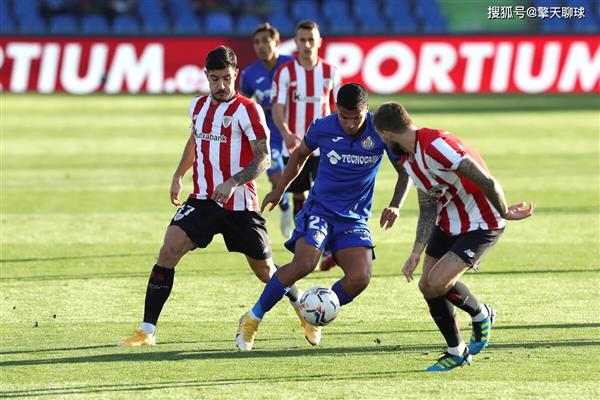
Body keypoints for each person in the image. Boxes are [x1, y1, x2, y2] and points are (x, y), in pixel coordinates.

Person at [118, 46, 307, 347]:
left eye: (227, 79)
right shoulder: (197, 106)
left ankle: (302, 306)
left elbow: (263, 159)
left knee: (265, 271)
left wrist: (233, 182)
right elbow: (195, 141)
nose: (221, 86)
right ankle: (146, 330)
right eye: (215, 79)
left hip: (240, 204)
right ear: (206, 76)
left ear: (235, 76)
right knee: (168, 251)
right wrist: (179, 175)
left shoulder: (248, 109)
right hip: (203, 199)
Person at [235, 83, 410, 351]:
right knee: (304, 263)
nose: (350, 124)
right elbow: (299, 155)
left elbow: (404, 170)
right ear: (337, 109)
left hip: (353, 218)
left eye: (356, 118)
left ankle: (317, 311)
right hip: (320, 209)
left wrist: (396, 204)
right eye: (344, 117)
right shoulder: (323, 127)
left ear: (366, 110)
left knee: (360, 277)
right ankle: (251, 319)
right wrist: (280, 189)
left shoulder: (380, 132)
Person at [372, 102, 534, 371]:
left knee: (436, 282)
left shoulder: (436, 145)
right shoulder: (407, 158)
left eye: (380, 137)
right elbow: (427, 205)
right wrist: (415, 251)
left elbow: (487, 181)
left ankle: (479, 318)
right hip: (449, 221)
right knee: (426, 286)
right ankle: (459, 346)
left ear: (387, 134)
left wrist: (504, 212)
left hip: (484, 222)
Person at [271, 19, 342, 270]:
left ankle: (329, 248)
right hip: (294, 146)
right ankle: (305, 247)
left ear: (320, 41)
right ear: (296, 42)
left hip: (324, 149)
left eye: (312, 39)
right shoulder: (286, 73)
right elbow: (277, 108)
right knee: (299, 194)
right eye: (302, 39)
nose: (307, 44)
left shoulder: (331, 73)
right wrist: (286, 132)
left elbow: (339, 110)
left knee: (320, 195)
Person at [240, 23, 294, 238]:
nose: (261, 46)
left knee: (303, 182)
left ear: (277, 42)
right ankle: (285, 206)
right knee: (277, 178)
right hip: (269, 132)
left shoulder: (291, 65)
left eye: (266, 41)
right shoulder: (250, 73)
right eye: (257, 42)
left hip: (294, 128)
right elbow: (243, 102)